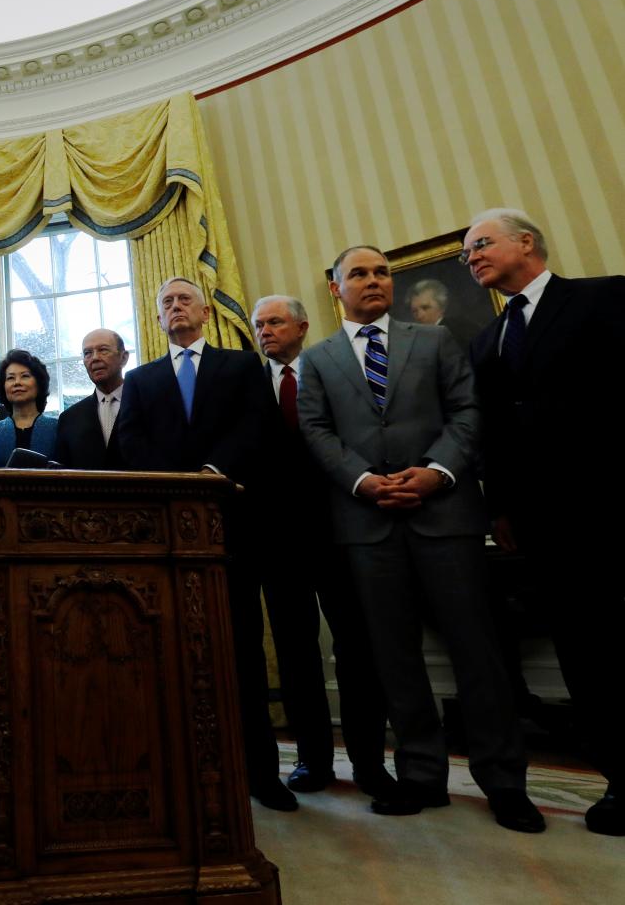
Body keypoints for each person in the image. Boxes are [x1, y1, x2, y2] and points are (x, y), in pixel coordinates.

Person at [299, 245, 539, 832]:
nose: (374, 280)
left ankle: (504, 780)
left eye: (381, 272)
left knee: (477, 652)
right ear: (336, 289)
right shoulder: (318, 358)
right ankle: (422, 775)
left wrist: (436, 472)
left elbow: (467, 411)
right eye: (359, 273)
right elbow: (316, 428)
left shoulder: (433, 340)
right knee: (394, 657)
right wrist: (362, 481)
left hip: (446, 515)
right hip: (367, 523)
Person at [464, 208, 625, 836]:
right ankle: (618, 777)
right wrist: (500, 506)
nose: (471, 257)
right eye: (466, 253)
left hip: (610, 505)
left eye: (481, 245)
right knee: (585, 653)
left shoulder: (603, 299)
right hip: (542, 523)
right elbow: (493, 434)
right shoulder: (487, 341)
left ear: (525, 242)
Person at [113, 276, 293, 811]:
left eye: (183, 298)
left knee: (241, 650)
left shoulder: (239, 366)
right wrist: (179, 486)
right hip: (167, 536)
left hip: (235, 527)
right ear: (159, 316)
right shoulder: (142, 379)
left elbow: (258, 427)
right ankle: (187, 772)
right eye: (165, 301)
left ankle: (261, 773)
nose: (174, 307)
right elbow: (130, 441)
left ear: (206, 311)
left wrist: (213, 472)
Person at [250, 294, 391, 798]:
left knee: (357, 648)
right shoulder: (247, 382)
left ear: (303, 326)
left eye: (275, 322)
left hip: (340, 531)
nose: (265, 331)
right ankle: (312, 760)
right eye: (259, 324)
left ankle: (370, 762)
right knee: (294, 653)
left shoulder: (334, 368)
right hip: (277, 539)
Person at [55, 328, 128, 470]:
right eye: (87, 353)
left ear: (123, 357)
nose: (95, 358)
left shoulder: (146, 405)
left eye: (103, 350)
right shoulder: (69, 418)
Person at [0, 349, 58, 466]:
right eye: (10, 378)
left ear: (39, 383)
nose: (17, 382)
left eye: (25, 376)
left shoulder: (58, 429)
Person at [407, 277, 480, 348]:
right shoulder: (417, 338)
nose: (420, 316)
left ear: (441, 306)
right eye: (414, 311)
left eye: (425, 308)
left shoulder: (460, 329)